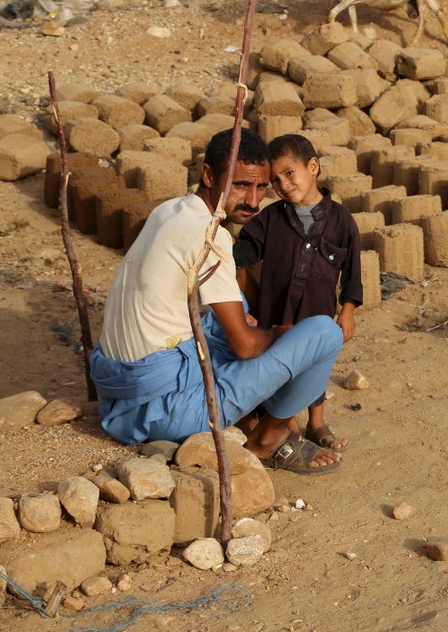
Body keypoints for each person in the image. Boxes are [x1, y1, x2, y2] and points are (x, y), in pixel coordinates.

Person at [88, 129, 344, 474]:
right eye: (240, 185)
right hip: (168, 412)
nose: (253, 201)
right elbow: (245, 347)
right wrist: (280, 334)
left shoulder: (172, 210)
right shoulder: (210, 235)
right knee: (325, 332)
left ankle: (256, 411)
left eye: (260, 187)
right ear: (208, 175)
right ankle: (267, 438)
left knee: (227, 316)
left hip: (118, 400)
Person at [233, 133, 362, 451]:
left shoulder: (341, 221)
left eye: (289, 173)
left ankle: (316, 423)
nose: (283, 184)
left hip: (317, 311)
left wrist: (347, 310)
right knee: (282, 366)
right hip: (275, 313)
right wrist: (248, 301)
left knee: (316, 366)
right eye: (275, 180)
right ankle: (286, 425)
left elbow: (353, 271)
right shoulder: (270, 219)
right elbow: (239, 258)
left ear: (313, 166)